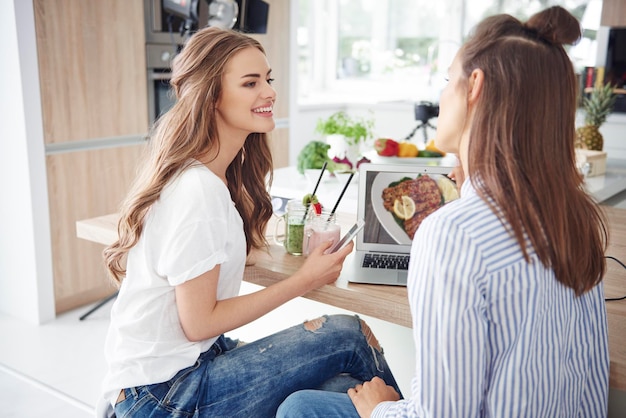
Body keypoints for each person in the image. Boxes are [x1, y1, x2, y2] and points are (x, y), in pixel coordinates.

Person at [277, 6, 610, 417]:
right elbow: (594, 388)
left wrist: (380, 410)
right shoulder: (576, 217)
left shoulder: (453, 234)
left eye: (447, 80)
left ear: (474, 86)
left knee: (301, 408)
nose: (440, 95)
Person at [98, 27, 401, 418]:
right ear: (212, 97)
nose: (269, 92)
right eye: (250, 82)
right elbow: (199, 323)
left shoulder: (211, 176)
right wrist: (305, 279)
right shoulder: (198, 190)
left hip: (164, 380)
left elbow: (207, 259)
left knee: (339, 389)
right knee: (348, 335)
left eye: (268, 79)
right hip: (165, 394)